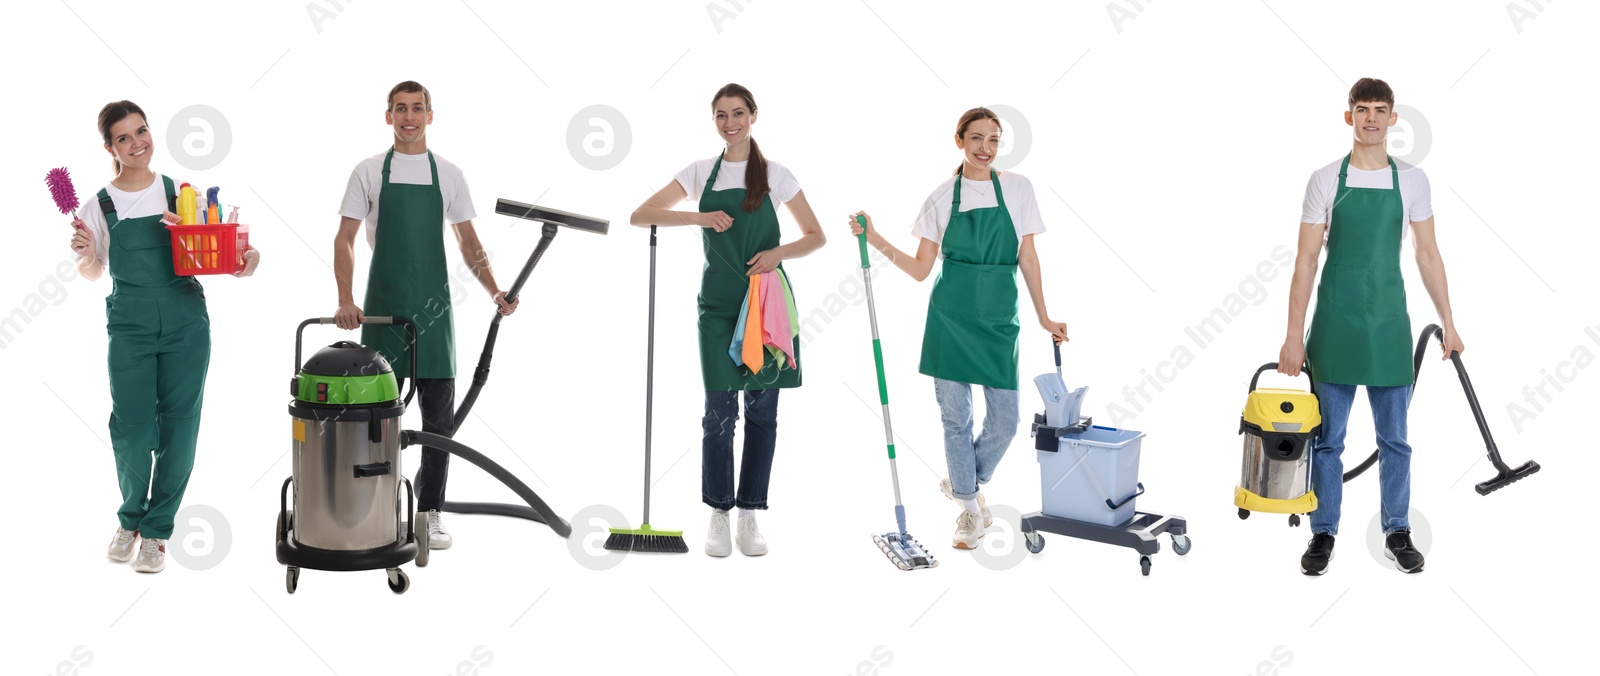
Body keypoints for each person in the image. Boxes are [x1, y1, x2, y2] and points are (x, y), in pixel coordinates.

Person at [851, 107, 1068, 550]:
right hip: (949, 317)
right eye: (976, 139)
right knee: (956, 419)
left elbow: (1027, 258)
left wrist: (1044, 315)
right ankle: (971, 512)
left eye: (993, 139)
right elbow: (919, 269)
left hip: (998, 318)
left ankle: (965, 483)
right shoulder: (940, 197)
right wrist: (875, 238)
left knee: (1006, 421)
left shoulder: (1018, 189)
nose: (985, 148)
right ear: (959, 141)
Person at [629, 83, 826, 557]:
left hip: (765, 306)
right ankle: (719, 511)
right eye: (721, 115)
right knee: (719, 413)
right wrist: (698, 219)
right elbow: (641, 214)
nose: (729, 122)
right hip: (717, 307)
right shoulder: (699, 172)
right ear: (713, 120)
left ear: (754, 116)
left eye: (738, 113)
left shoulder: (777, 175)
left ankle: (750, 513)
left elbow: (816, 236)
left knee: (762, 412)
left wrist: (777, 254)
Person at [1279, 77, 1463, 575]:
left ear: (1393, 119)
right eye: (1363, 108)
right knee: (1328, 442)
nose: (1372, 118)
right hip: (1335, 325)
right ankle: (1323, 533)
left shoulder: (1412, 180)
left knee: (1396, 441)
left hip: (1388, 327)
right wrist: (1294, 336)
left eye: (1381, 109)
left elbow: (1427, 253)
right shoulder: (1323, 179)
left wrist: (1449, 320)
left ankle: (1397, 530)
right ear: (1349, 117)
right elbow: (1305, 261)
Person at [71, 100, 261, 573]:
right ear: (109, 148)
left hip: (185, 323)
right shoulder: (99, 205)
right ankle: (130, 519)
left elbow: (219, 255)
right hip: (130, 326)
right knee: (132, 430)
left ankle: (157, 531)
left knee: (180, 428)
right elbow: (93, 273)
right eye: (124, 138)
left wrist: (247, 260)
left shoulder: (180, 193)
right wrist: (86, 252)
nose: (137, 144)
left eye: (142, 131)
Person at [332, 80, 518, 552]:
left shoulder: (449, 174)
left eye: (417, 109)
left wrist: (495, 288)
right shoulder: (369, 171)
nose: (409, 117)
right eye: (400, 109)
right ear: (388, 116)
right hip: (381, 314)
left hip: (434, 316)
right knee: (374, 418)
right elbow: (345, 240)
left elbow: (468, 242)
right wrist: (345, 299)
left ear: (430, 116)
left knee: (439, 424)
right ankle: (371, 505)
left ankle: (429, 510)